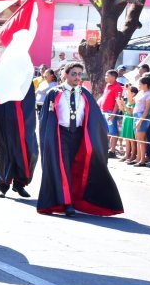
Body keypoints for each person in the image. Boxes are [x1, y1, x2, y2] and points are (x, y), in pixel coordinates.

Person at [37, 62, 124, 216]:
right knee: (62, 168)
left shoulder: (84, 93)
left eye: (79, 74)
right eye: (73, 74)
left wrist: (100, 134)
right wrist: (48, 139)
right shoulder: (54, 92)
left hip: (79, 136)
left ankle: (80, 200)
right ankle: (66, 203)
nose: (77, 77)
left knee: (78, 168)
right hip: (61, 135)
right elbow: (46, 119)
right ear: (65, 74)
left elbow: (94, 117)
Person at [0, 85, 39, 198]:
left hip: (24, 116)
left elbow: (30, 101)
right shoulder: (3, 75)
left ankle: (19, 183)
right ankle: (3, 185)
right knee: (5, 149)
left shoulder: (27, 76)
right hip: (4, 114)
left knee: (29, 150)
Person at [97, 69, 124, 158]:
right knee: (105, 131)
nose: (105, 77)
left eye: (107, 76)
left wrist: (113, 114)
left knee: (113, 131)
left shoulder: (118, 87)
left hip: (110, 112)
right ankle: (106, 148)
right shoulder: (108, 85)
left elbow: (117, 102)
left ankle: (112, 150)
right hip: (103, 111)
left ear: (113, 77)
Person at [131, 76, 150, 167]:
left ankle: (142, 160)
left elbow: (147, 110)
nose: (139, 85)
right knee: (138, 138)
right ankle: (138, 158)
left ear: (145, 84)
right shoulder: (140, 92)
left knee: (141, 139)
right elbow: (132, 101)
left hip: (142, 116)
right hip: (136, 115)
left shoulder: (149, 94)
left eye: (140, 84)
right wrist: (129, 91)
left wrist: (140, 121)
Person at [117, 86, 138, 164]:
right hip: (126, 120)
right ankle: (127, 154)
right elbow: (123, 110)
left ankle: (133, 155)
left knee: (131, 139)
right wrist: (120, 104)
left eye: (128, 92)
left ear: (133, 93)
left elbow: (130, 112)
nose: (126, 93)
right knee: (127, 138)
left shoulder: (134, 101)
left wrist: (123, 104)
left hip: (131, 120)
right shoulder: (128, 101)